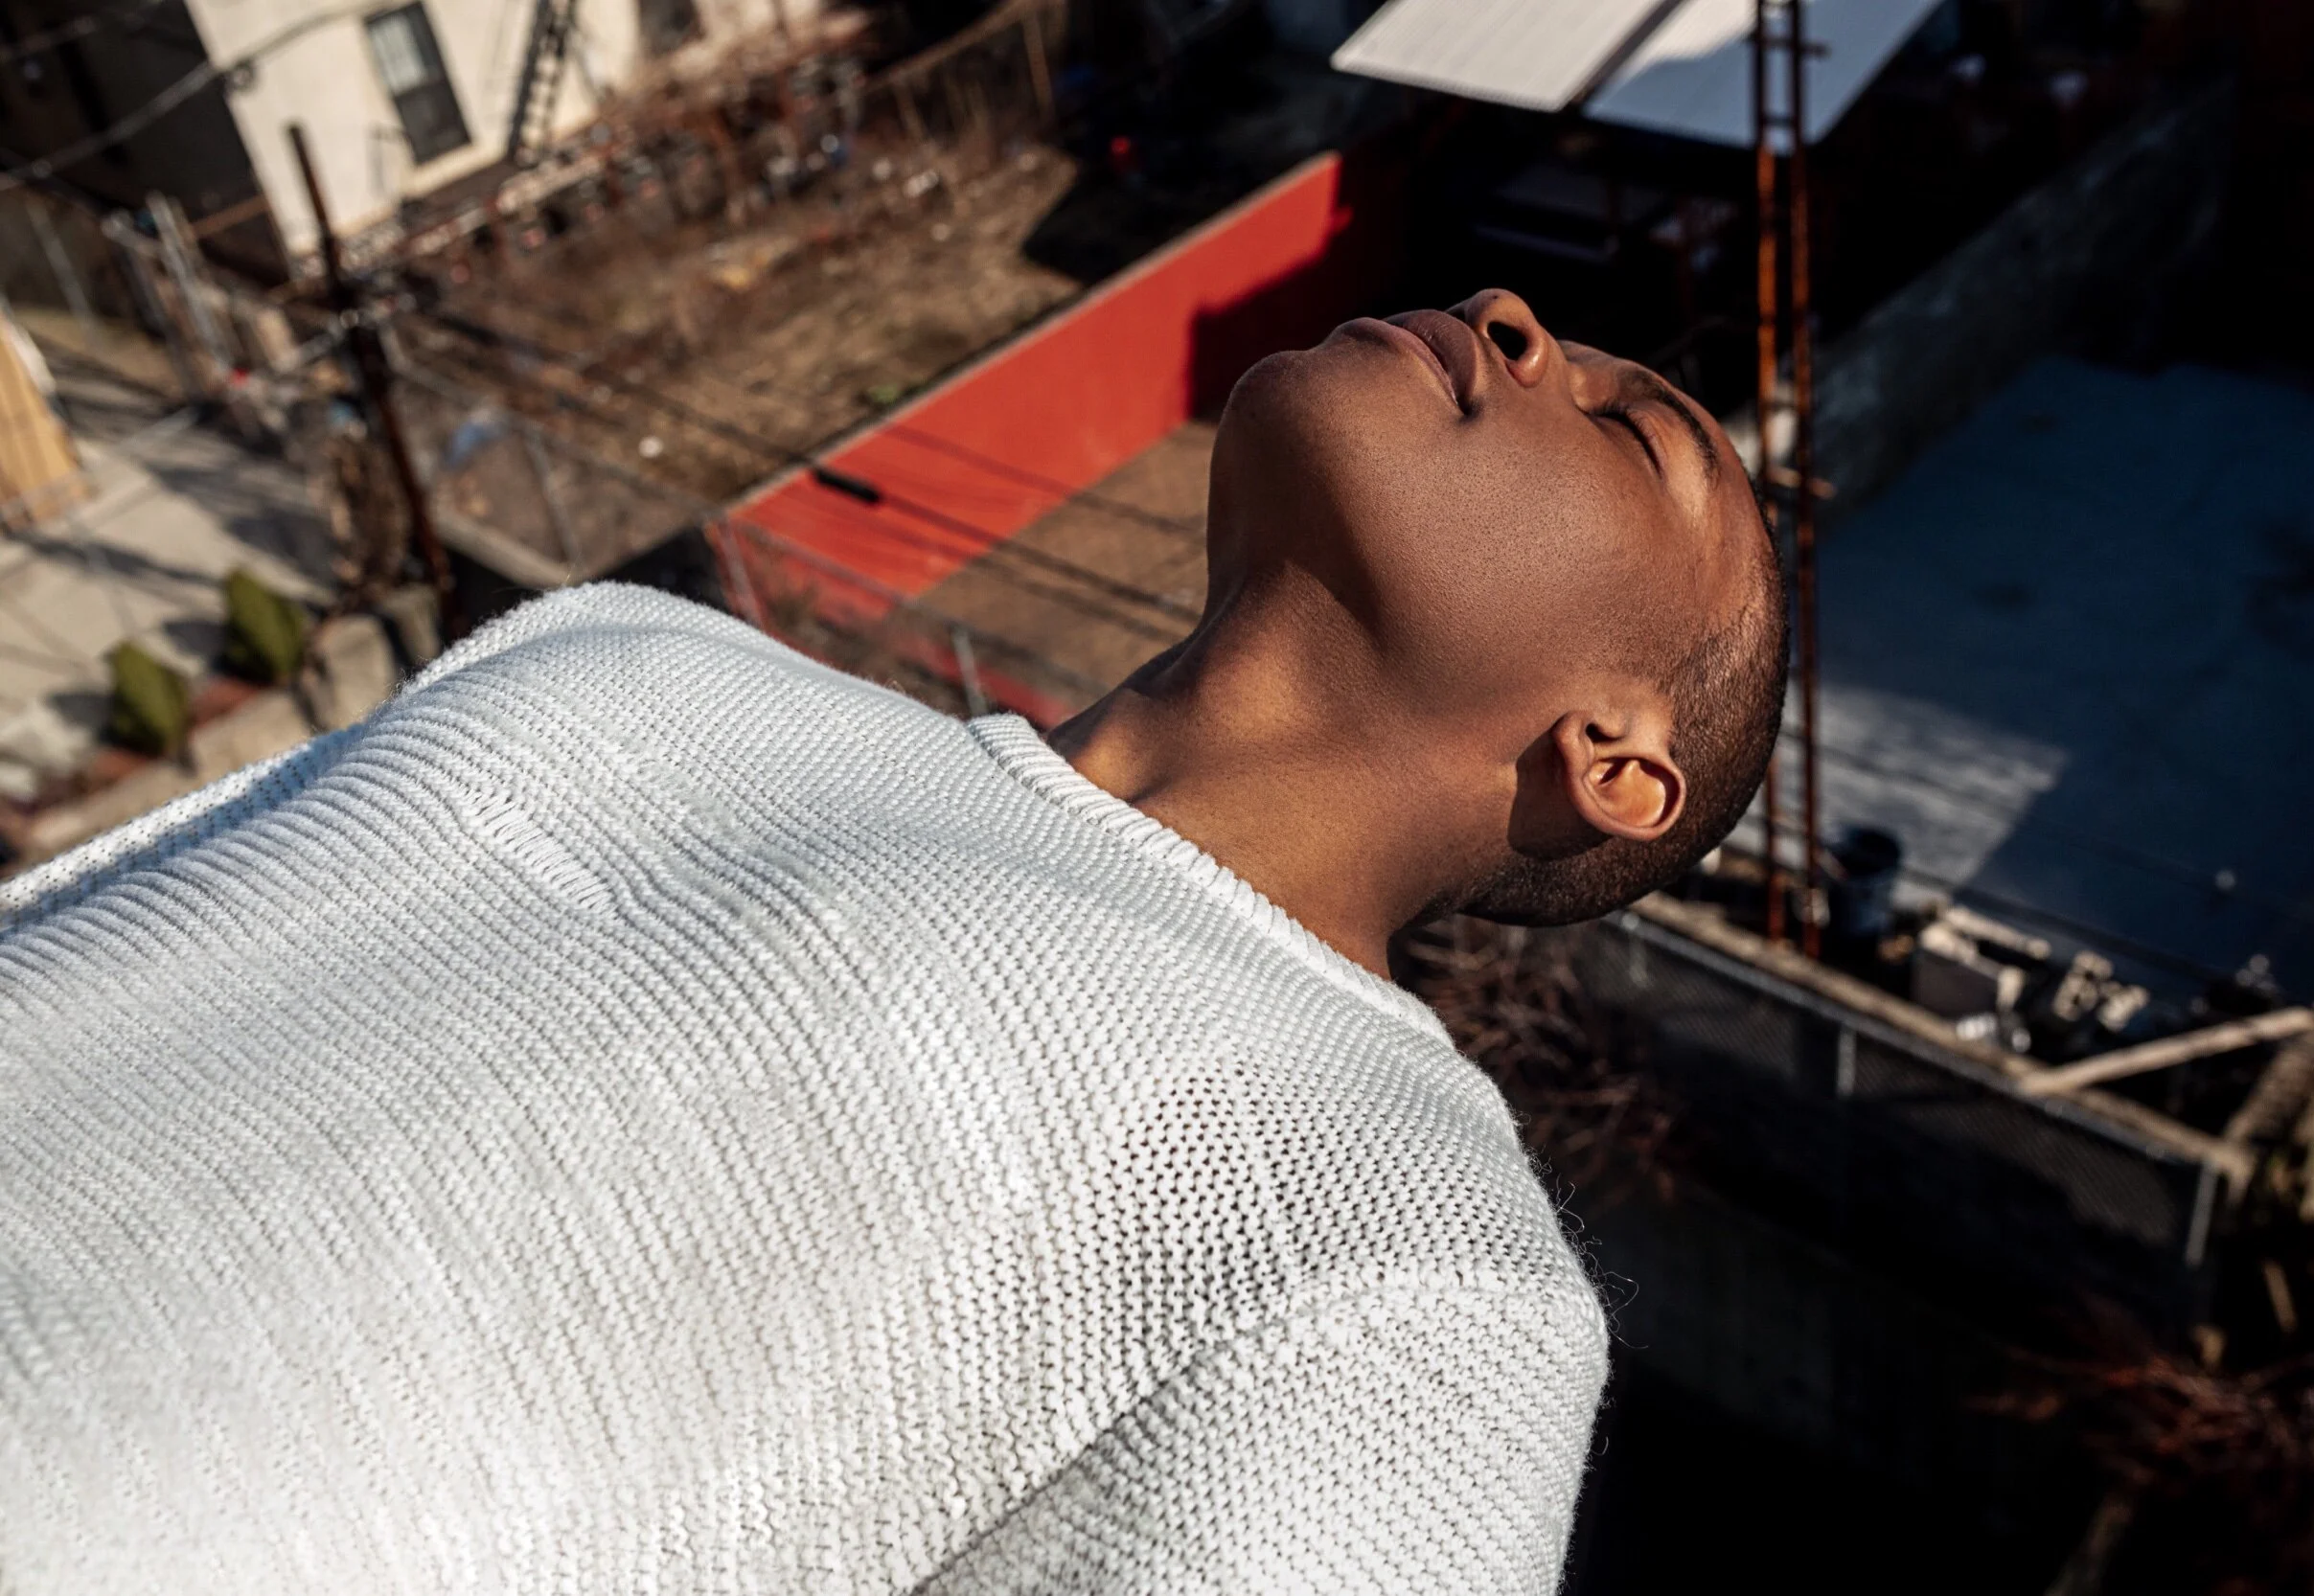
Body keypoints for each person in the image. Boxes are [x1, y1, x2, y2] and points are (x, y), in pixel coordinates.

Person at [0, 290, 1783, 1593]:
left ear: (1614, 761)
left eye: (1633, 437)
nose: (1514, 318)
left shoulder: (1408, 1249)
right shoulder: (646, 645)